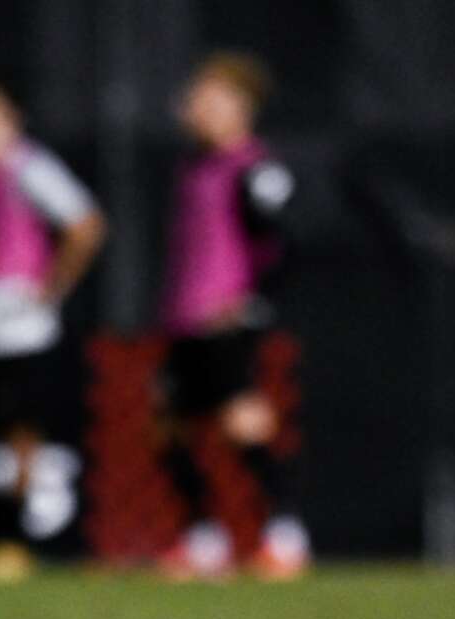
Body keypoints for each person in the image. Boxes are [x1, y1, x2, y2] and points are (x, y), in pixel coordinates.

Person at [157, 52, 311, 581]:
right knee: (174, 429)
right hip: (185, 316)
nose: (193, 109)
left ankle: (284, 538)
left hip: (227, 319)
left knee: (242, 422)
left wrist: (251, 301)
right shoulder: (192, 167)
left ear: (239, 109)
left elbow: (283, 243)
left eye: (208, 100)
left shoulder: (255, 170)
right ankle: (204, 542)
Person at [0, 85, 105, 578]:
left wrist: (50, 288)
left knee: (19, 431)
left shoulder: (31, 167)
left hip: (20, 328)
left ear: (13, 121)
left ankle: (12, 537)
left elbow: (86, 226)